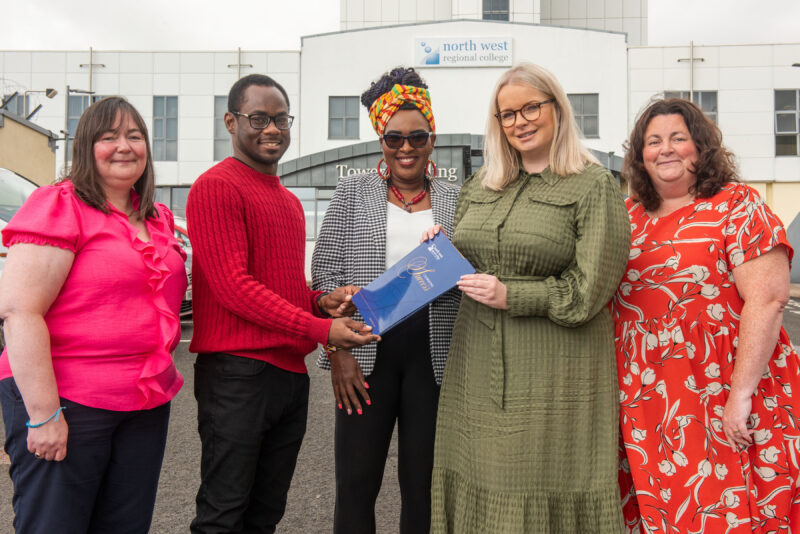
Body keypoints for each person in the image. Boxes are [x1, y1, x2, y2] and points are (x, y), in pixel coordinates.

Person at [422, 62, 630, 533]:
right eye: (507, 114)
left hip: (554, 368)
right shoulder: (480, 186)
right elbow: (471, 263)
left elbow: (590, 291)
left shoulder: (593, 185)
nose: (520, 121)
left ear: (557, 108)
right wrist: (441, 250)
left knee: (531, 479)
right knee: (477, 472)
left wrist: (513, 295)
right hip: (475, 361)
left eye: (531, 107)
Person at [187, 73, 379, 534]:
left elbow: (282, 288)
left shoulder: (289, 202)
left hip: (287, 377)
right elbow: (235, 287)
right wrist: (321, 331)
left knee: (266, 512)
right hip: (237, 373)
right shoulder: (216, 187)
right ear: (231, 122)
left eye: (280, 119)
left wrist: (320, 302)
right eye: (258, 118)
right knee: (223, 512)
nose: (271, 129)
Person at [0, 96, 187, 533]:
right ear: (86, 147)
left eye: (135, 136)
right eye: (109, 137)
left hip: (143, 403)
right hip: (67, 400)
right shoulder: (60, 205)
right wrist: (45, 415)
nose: (124, 146)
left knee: (125, 525)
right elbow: (20, 310)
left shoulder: (156, 218)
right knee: (55, 525)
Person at [613, 97, 800, 532]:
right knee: (664, 511)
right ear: (640, 155)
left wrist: (740, 395)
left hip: (724, 390)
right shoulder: (627, 217)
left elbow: (769, 300)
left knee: (730, 509)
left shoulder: (737, 204)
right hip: (649, 401)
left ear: (701, 146)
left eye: (679, 138)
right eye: (653, 141)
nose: (666, 149)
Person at [311, 66, 460, 534]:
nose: (406, 148)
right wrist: (337, 351)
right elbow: (325, 278)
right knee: (356, 485)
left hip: (435, 363)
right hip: (364, 354)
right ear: (381, 140)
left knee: (424, 487)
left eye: (418, 137)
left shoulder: (460, 200)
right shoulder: (353, 193)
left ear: (432, 140)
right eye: (394, 138)